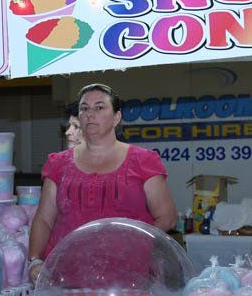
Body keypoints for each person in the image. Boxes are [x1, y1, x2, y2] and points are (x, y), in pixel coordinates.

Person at [28, 83, 176, 282]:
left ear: (117, 117)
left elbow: (166, 218)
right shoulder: (58, 163)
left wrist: (133, 247)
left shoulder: (143, 161)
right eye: (84, 108)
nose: (90, 114)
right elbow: (44, 219)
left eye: (99, 107)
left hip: (129, 277)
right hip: (66, 276)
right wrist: (35, 260)